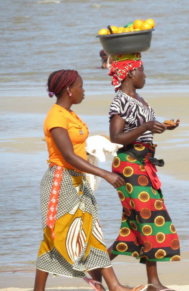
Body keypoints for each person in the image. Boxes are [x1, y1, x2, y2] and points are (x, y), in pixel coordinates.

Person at [33, 69, 146, 291]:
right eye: (80, 86)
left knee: (92, 231)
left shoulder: (71, 114)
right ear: (68, 90)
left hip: (78, 180)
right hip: (61, 181)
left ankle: (114, 287)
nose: (83, 91)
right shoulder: (56, 116)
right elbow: (68, 156)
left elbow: (78, 147)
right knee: (54, 236)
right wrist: (104, 173)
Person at [94, 53, 180, 291]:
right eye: (142, 70)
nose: (145, 74)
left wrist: (159, 127)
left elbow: (143, 130)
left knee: (137, 225)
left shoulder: (140, 99)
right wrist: (145, 126)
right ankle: (152, 282)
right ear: (131, 73)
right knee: (148, 218)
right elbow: (116, 137)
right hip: (129, 165)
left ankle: (97, 270)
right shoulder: (119, 100)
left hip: (144, 164)